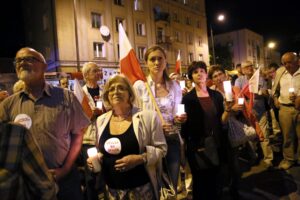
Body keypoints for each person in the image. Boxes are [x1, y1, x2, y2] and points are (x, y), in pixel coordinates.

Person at [0, 47, 90, 200]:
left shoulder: (66, 97)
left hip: (65, 180)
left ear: (44, 66)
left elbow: (78, 135)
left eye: (29, 59)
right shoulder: (7, 105)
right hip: (29, 184)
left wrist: (65, 169)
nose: (22, 63)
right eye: (18, 60)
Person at [87, 75, 167, 199]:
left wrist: (140, 158)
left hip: (141, 190)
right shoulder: (101, 120)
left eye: (121, 88)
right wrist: (96, 158)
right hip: (112, 191)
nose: (115, 92)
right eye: (111, 89)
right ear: (107, 95)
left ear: (130, 94)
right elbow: (102, 150)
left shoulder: (148, 117)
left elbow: (162, 150)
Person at [133, 45, 187, 194]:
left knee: (172, 185)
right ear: (146, 63)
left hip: (172, 139)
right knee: (154, 186)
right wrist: (156, 128)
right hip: (151, 143)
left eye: (160, 58)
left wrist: (180, 120)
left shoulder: (175, 86)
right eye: (152, 59)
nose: (156, 62)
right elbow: (135, 117)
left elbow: (178, 117)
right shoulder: (140, 87)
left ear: (165, 62)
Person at [181, 61, 232, 200]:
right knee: (200, 181)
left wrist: (228, 110)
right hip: (197, 145)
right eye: (195, 72)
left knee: (217, 178)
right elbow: (184, 127)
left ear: (206, 74)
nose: (199, 74)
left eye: (202, 71)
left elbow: (222, 121)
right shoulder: (187, 98)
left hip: (216, 143)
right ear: (191, 76)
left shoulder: (216, 95)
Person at [0, 121, 57, 200]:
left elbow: (45, 190)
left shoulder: (15, 134)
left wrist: (66, 168)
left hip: (60, 175)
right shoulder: (8, 109)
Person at [235, 61, 274, 168]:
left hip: (260, 112)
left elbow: (266, 93)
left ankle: (268, 159)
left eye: (251, 66)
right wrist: (241, 108)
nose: (250, 68)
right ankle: (254, 157)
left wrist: (260, 91)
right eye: (247, 67)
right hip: (247, 114)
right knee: (251, 136)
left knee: (264, 135)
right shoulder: (239, 80)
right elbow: (238, 94)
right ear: (242, 70)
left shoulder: (260, 78)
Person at [80, 61, 104, 200]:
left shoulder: (104, 91)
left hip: (102, 137)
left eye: (98, 70)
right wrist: (91, 114)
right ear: (87, 75)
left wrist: (103, 110)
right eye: (95, 71)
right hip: (88, 138)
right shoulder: (80, 94)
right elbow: (77, 117)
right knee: (91, 174)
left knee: (103, 172)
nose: (99, 72)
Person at [272, 52, 300, 170]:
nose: (287, 66)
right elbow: (275, 88)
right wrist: (275, 98)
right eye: (284, 63)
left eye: (289, 62)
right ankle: (289, 159)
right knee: (287, 135)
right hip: (285, 108)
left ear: (297, 61)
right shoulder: (280, 72)